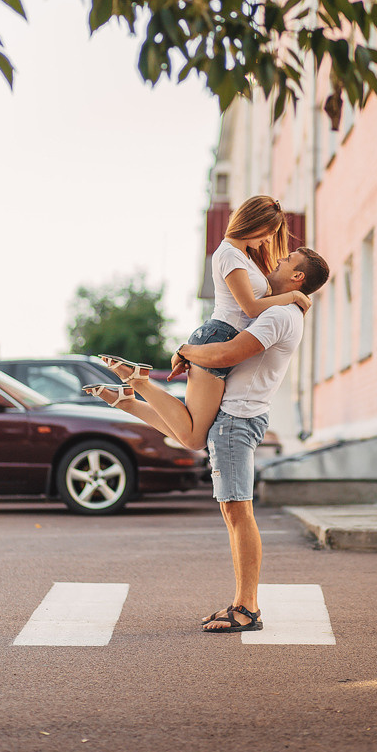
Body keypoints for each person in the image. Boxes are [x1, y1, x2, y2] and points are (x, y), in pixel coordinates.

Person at [89, 245, 330, 634]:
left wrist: (186, 350)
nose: (278, 262)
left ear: (299, 278)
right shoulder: (282, 309)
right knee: (202, 457)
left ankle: (247, 607)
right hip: (236, 414)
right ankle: (133, 394)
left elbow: (230, 352)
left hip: (237, 418)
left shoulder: (280, 316)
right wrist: (197, 353)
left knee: (239, 513)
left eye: (286, 263)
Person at [85, 196, 311, 450]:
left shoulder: (244, 255)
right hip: (217, 337)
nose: (268, 240)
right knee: (194, 438)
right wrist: (292, 296)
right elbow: (250, 307)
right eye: (268, 233)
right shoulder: (228, 254)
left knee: (193, 436)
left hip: (222, 337)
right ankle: (138, 384)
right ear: (254, 223)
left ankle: (128, 399)